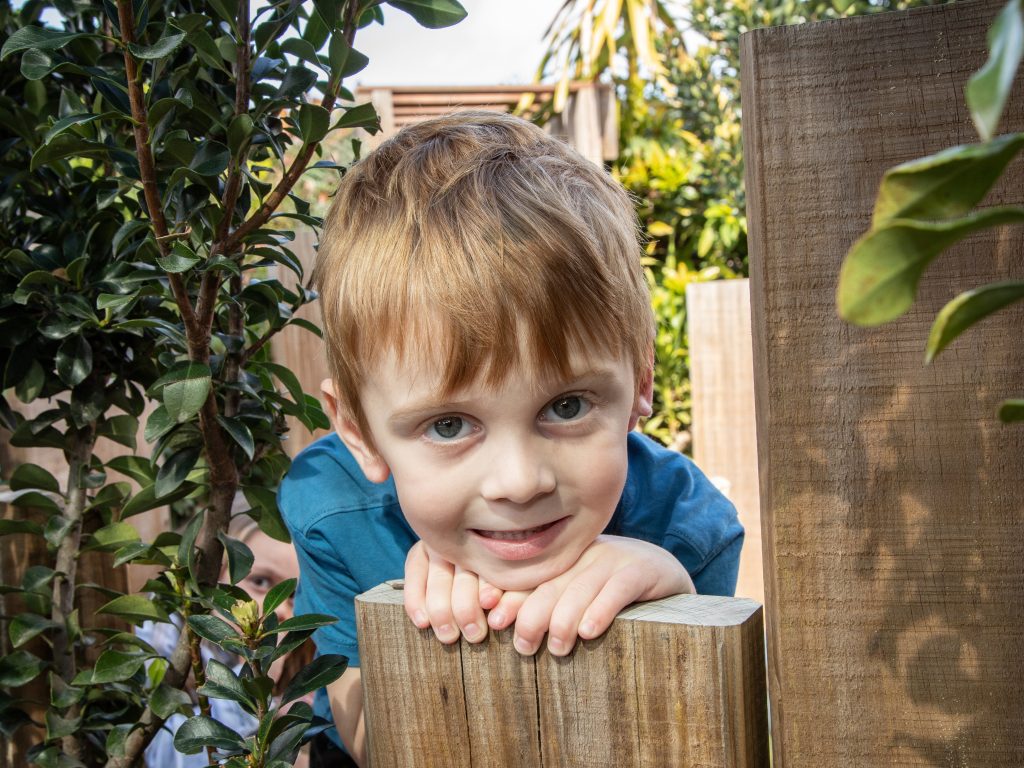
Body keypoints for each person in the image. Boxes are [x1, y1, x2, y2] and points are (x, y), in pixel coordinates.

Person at [278, 110, 744, 768]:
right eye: (448, 425)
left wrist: (678, 606)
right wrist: (414, 644)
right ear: (359, 432)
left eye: (567, 406)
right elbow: (357, 733)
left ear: (640, 383)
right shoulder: (334, 511)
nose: (520, 481)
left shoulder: (685, 526)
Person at [139, 515, 311, 768]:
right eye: (260, 582)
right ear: (212, 577)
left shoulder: (305, 659)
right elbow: (164, 756)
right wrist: (252, 695)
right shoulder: (164, 628)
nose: (280, 609)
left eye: (294, 594)